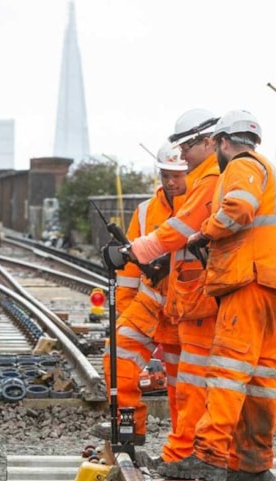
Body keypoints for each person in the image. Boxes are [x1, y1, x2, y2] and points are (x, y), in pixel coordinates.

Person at [158, 110, 276, 481]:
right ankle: (253, 468)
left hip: (249, 281)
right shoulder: (269, 170)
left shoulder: (241, 166)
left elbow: (238, 210)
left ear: (223, 141)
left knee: (227, 369)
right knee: (258, 380)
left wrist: (205, 233)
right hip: (274, 286)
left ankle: (208, 453)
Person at [128, 108, 221, 463]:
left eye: (187, 148)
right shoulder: (214, 179)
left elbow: (181, 230)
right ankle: (191, 451)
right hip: (184, 301)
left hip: (199, 300)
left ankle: (192, 452)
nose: (182, 156)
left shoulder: (210, 182)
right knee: (185, 382)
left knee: (195, 381)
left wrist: (138, 250)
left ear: (209, 141)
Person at [95, 141, 188, 444]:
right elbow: (131, 271)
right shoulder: (146, 211)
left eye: (177, 175)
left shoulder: (202, 205)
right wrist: (123, 310)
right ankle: (128, 428)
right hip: (149, 305)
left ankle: (185, 446)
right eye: (165, 175)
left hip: (186, 310)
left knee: (182, 385)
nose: (171, 182)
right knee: (117, 355)